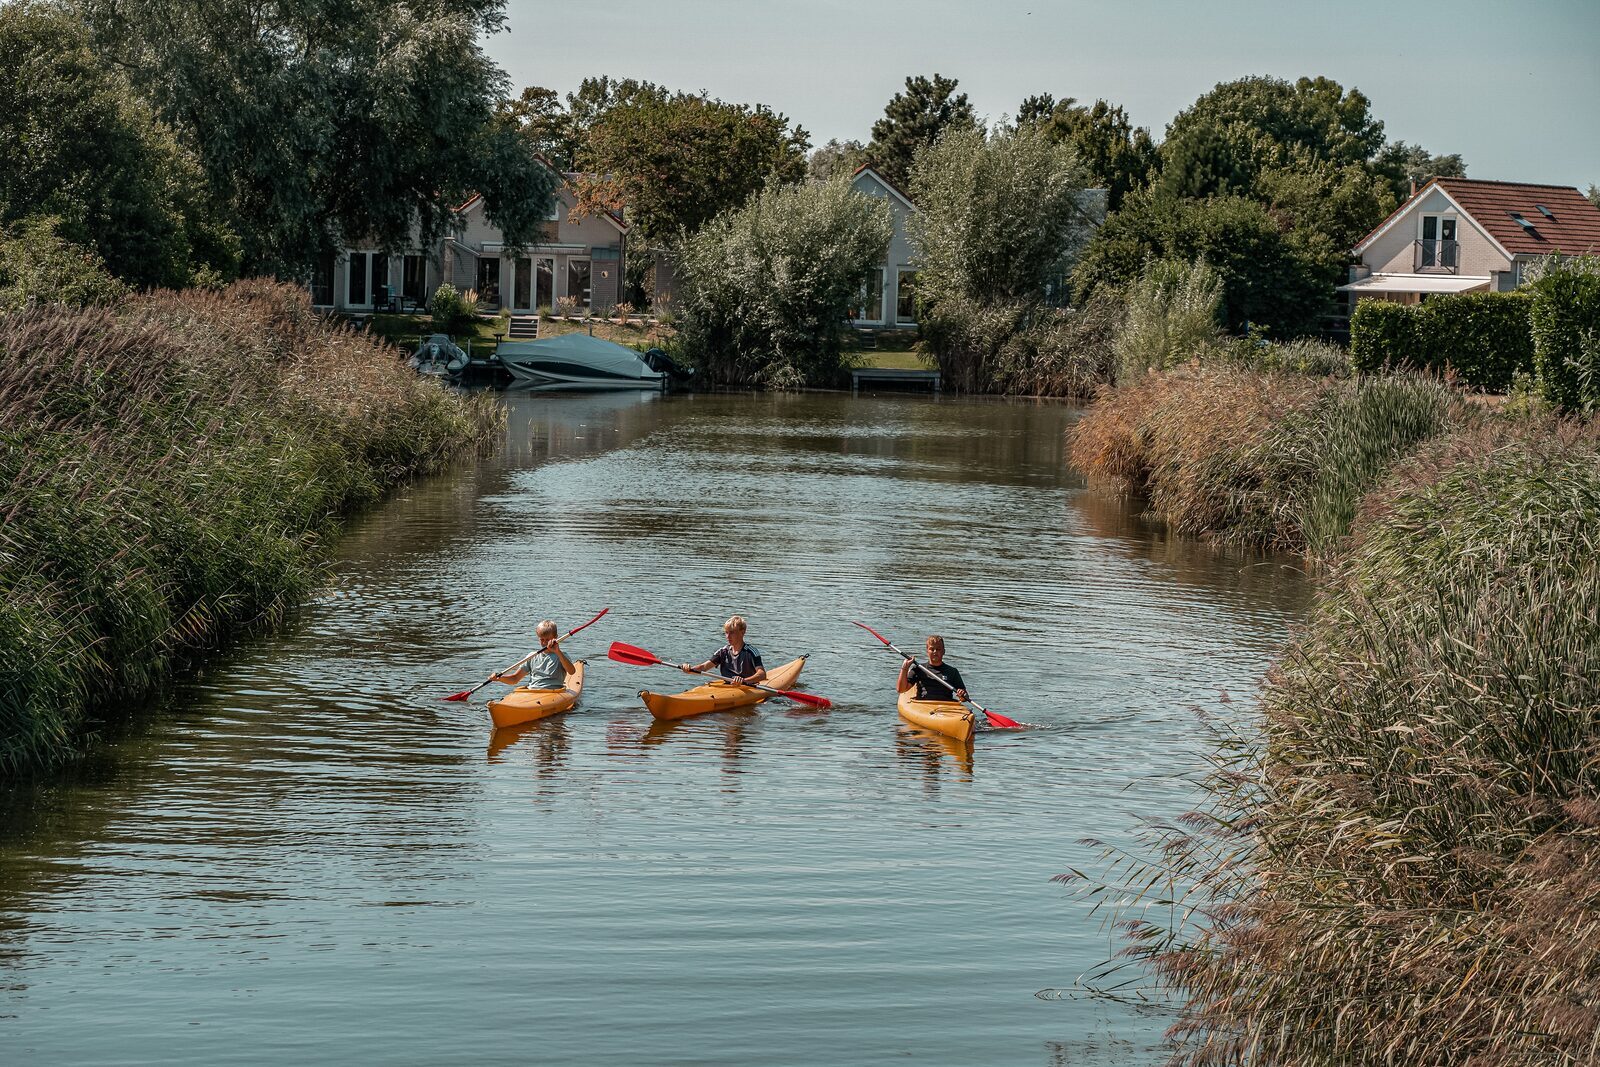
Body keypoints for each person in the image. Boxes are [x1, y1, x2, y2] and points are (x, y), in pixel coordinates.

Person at [682, 615, 767, 686]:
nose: (728, 636)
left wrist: (744, 680)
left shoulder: (751, 652)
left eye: (732, 632)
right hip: (728, 687)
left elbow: (762, 674)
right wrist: (689, 669)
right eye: (726, 632)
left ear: (742, 632)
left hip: (747, 686)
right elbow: (704, 667)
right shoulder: (723, 652)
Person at [493, 619, 575, 690]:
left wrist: (558, 652)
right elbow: (515, 679)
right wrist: (499, 678)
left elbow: (571, 671)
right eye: (541, 639)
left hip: (553, 692)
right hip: (533, 692)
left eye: (547, 639)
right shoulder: (532, 656)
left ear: (555, 637)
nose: (544, 643)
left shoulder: (561, 655)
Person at [897, 635, 969, 702]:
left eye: (938, 649)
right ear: (927, 651)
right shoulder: (919, 669)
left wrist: (962, 695)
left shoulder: (952, 671)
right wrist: (905, 668)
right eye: (932, 649)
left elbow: (964, 698)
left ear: (943, 651)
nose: (935, 652)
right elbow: (901, 689)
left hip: (946, 706)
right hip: (923, 705)